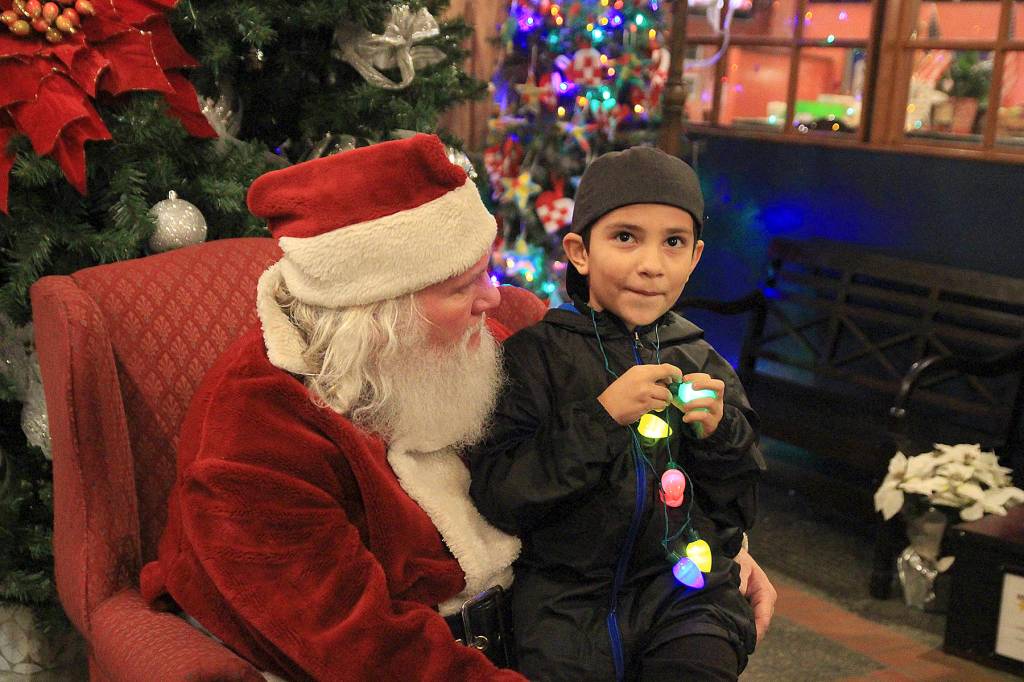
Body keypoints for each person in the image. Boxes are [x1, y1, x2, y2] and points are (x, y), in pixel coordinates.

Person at [140, 134, 527, 681]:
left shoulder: (465, 345)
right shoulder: (253, 432)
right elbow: (362, 650)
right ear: (378, 317)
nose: (493, 299)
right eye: (464, 287)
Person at [468, 145, 768, 681]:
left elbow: (737, 505)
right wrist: (601, 418)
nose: (651, 264)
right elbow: (501, 495)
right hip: (566, 606)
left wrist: (721, 435)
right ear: (580, 252)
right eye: (625, 237)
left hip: (689, 599)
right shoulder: (535, 358)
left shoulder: (702, 363)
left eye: (673, 242)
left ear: (695, 257)